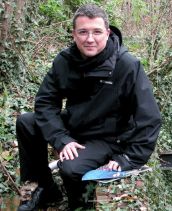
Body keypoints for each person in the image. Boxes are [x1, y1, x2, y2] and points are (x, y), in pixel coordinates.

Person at [16, 4, 162, 210]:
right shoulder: (64, 61)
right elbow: (45, 102)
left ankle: (80, 205)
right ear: (74, 34)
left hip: (108, 136)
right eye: (83, 32)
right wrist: (61, 139)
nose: (90, 39)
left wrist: (129, 158)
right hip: (76, 125)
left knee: (71, 168)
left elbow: (150, 118)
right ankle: (44, 188)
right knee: (27, 122)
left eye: (97, 32)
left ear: (108, 32)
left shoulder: (127, 65)